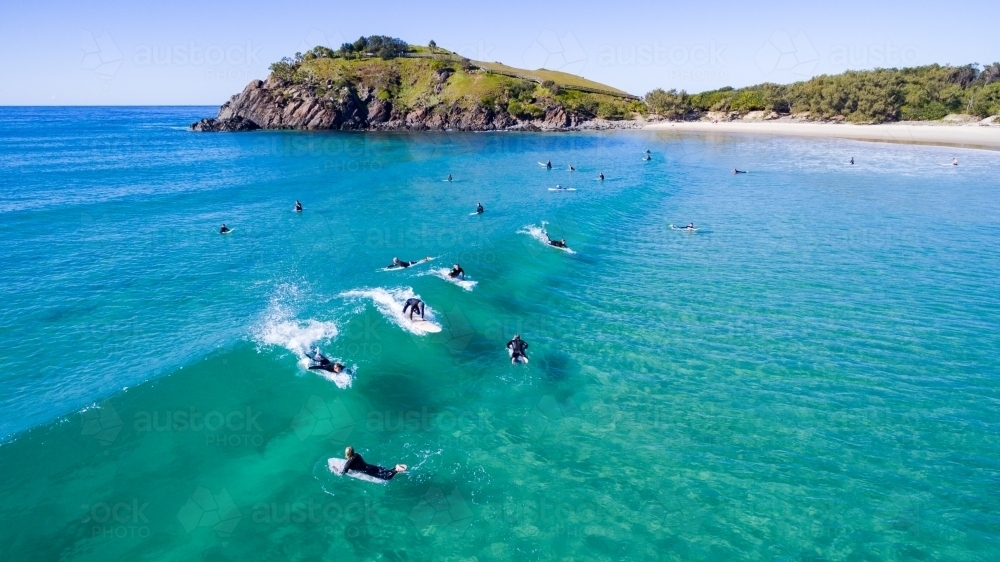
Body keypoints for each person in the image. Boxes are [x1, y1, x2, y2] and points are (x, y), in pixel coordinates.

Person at [339, 446, 407, 481]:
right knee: (383, 470)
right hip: (369, 466)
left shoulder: (348, 464)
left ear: (346, 454)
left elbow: (343, 473)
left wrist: (337, 470)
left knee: (385, 477)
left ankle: (396, 470)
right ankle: (394, 468)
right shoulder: (357, 455)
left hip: (367, 471)